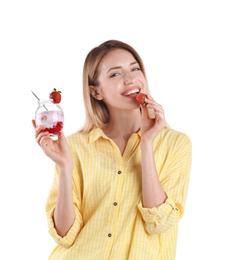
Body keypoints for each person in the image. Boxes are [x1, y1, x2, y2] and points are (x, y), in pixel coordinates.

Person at [32, 39, 192, 260]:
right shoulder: (75, 147)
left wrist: (146, 144)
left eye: (135, 68)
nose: (130, 78)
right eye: (115, 74)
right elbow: (64, 236)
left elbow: (160, 223)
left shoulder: (175, 144)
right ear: (96, 92)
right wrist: (65, 167)